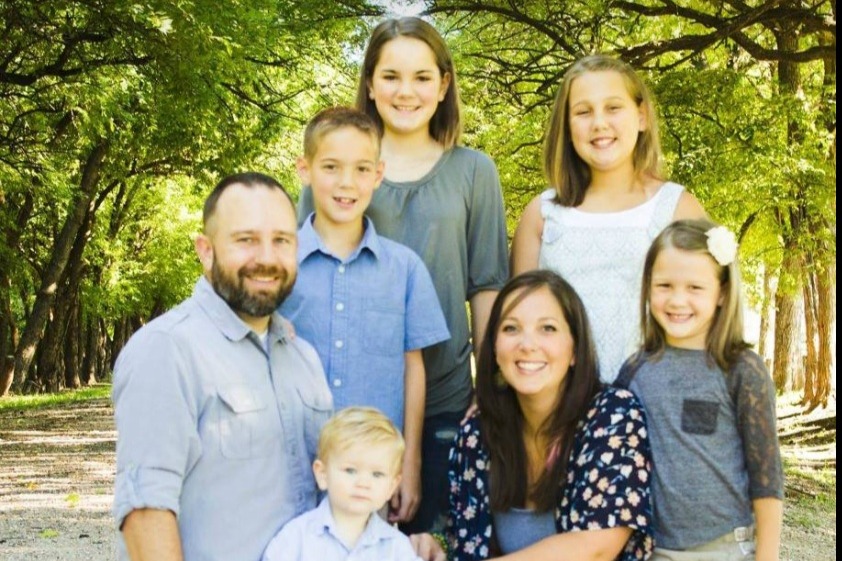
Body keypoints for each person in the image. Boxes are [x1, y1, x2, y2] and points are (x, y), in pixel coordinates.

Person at [298, 16, 509, 534]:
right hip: (346, 401)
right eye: (391, 76)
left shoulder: (474, 171)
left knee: (427, 541)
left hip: (443, 398)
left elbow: (486, 285)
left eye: (421, 77)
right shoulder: (339, 170)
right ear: (370, 84)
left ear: (444, 85)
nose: (406, 91)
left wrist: (489, 387)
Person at [111, 172, 333, 561]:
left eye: (281, 241)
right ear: (206, 250)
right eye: (246, 240)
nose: (267, 258)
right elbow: (146, 512)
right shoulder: (167, 349)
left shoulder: (304, 359)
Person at [280, 106, 450, 524]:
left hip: (374, 477)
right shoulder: (281, 265)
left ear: (378, 175)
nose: (346, 182)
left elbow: (413, 368)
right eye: (331, 167)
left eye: (361, 169)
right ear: (304, 170)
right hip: (292, 468)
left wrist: (409, 464)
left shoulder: (404, 269)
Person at [413, 269, 654, 561]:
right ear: (494, 348)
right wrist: (436, 544)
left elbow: (596, 548)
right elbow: (467, 544)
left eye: (547, 328)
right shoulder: (478, 433)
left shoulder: (613, 415)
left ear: (575, 349)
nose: (527, 344)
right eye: (511, 328)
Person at [510, 54, 707, 383]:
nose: (599, 123)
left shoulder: (676, 208)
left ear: (641, 116)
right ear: (567, 127)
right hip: (562, 400)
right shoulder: (542, 215)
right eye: (583, 112)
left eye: (613, 108)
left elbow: (708, 318)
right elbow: (519, 325)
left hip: (654, 398)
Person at [616, 219, 783, 560]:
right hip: (652, 550)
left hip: (727, 549)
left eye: (695, 287)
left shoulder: (741, 369)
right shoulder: (635, 371)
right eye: (664, 285)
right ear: (648, 287)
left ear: (721, 293)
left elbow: (766, 476)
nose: (678, 300)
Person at [262, 406, 423, 560]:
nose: (363, 483)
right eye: (350, 470)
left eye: (377, 474)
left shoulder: (397, 549)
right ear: (323, 474)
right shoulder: (295, 539)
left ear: (392, 486)